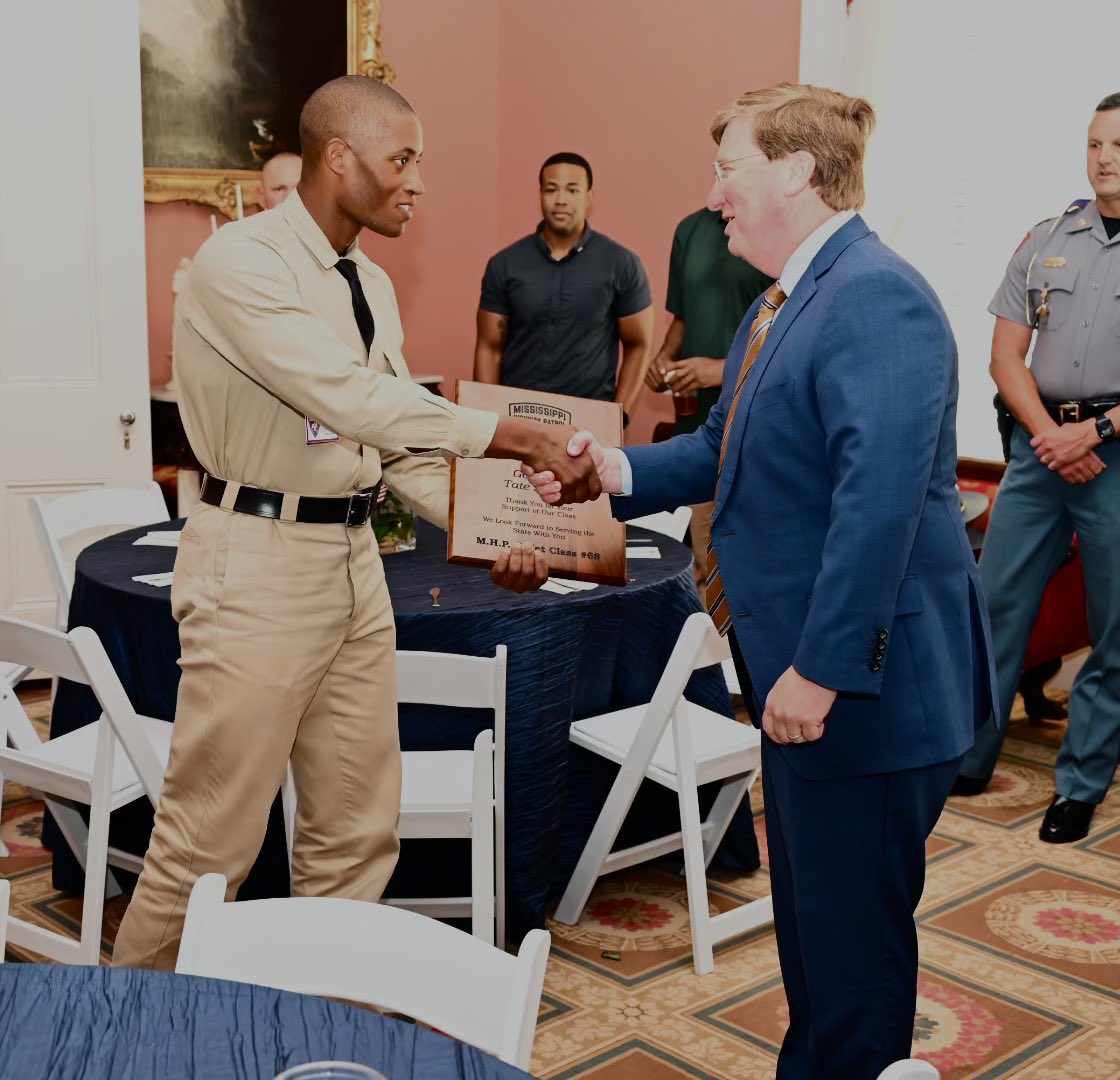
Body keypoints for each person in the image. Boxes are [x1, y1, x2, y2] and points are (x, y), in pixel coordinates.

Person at [526, 83, 995, 1078]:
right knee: (816, 934)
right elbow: (718, 448)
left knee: (850, 949)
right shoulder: (782, 304)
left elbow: (878, 506)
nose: (713, 195)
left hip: (861, 693)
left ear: (793, 171)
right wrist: (608, 471)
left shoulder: (876, 296)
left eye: (728, 169)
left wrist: (819, 671)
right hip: (807, 677)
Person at [111, 75, 599, 971]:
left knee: (356, 831)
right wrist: (514, 433)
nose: (417, 182)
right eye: (402, 160)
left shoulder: (366, 278)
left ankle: (318, 1031)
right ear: (340, 157)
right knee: (208, 841)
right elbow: (345, 396)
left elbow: (391, 448)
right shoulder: (244, 262)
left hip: (350, 563)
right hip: (256, 561)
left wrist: (490, 532)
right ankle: (124, 1041)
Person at [953, 92, 1120, 844]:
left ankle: (1080, 783)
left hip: (1115, 453)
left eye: (1116, 144)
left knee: (1113, 630)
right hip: (1039, 447)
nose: (1104, 157)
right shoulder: (1048, 237)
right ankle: (970, 753)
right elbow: (1002, 355)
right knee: (995, 606)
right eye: (1094, 144)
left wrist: (1097, 434)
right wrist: (1053, 435)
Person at [473, 152, 655, 420]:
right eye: (551, 189)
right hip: (519, 418)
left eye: (572, 190)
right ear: (540, 194)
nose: (561, 200)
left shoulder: (622, 264)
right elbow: (489, 348)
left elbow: (639, 344)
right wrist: (487, 421)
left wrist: (619, 415)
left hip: (589, 421)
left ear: (588, 196)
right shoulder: (504, 264)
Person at [644, 208, 772, 570]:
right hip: (699, 433)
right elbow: (682, 318)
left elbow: (789, 324)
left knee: (749, 572)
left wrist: (721, 371)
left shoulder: (773, 229)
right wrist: (664, 358)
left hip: (756, 430)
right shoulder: (688, 230)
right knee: (706, 563)